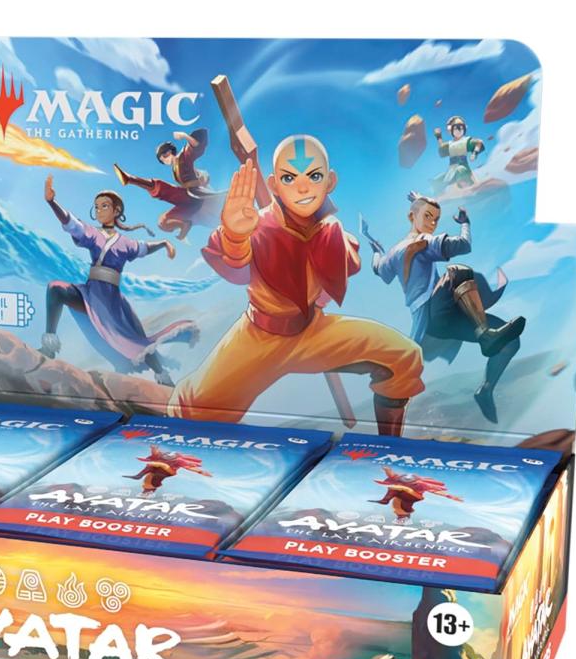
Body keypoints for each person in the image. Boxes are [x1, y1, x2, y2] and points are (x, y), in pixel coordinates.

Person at [167, 136, 425, 435]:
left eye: (313, 176)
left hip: (313, 330)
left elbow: (346, 264)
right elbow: (235, 269)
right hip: (260, 336)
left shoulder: (332, 228)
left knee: (404, 356)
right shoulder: (257, 224)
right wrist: (235, 235)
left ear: (329, 181)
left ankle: (388, 448)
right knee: (193, 408)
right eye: (289, 178)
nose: (302, 188)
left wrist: (322, 285)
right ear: (274, 185)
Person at [370, 192, 525, 423]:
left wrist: (376, 252)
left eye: (436, 219)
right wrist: (465, 223)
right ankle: (485, 335)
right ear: (411, 216)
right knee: (457, 272)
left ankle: (485, 390)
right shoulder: (423, 242)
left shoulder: (392, 254)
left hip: (441, 320)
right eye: (427, 216)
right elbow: (464, 245)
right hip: (434, 313)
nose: (432, 223)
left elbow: (379, 269)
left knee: (511, 340)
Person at [39, 175, 199, 386]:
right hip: (90, 293)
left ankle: (162, 375)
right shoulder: (92, 234)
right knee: (56, 289)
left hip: (112, 301)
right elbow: (72, 224)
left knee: (134, 340)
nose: (99, 211)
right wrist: (52, 202)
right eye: (97, 207)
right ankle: (49, 346)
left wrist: (163, 243)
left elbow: (144, 248)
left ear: (116, 211)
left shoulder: (126, 243)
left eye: (104, 206)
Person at [113, 129, 224, 239]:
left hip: (195, 196)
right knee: (163, 222)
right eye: (162, 161)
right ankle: (184, 225)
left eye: (164, 158)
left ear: (169, 152)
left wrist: (184, 136)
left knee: (162, 188)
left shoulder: (182, 157)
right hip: (189, 201)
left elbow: (195, 147)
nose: (164, 162)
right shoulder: (175, 167)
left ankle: (129, 179)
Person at [370, 466, 463, 524]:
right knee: (397, 503)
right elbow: (392, 475)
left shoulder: (420, 484)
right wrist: (387, 469)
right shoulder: (399, 479)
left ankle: (386, 501)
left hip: (414, 495)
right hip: (403, 495)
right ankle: (400, 516)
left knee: (398, 488)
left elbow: (434, 491)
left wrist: (450, 496)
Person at [124, 444, 211, 497]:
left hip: (169, 471)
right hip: (158, 469)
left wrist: (201, 472)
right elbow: (155, 453)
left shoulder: (178, 460)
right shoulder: (161, 455)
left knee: (159, 466)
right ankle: (142, 481)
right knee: (150, 472)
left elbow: (188, 467)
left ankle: (144, 483)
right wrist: (153, 448)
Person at [432, 116, 485, 191]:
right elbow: (442, 149)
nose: (459, 130)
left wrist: (475, 153)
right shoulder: (450, 144)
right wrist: (439, 137)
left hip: (463, 168)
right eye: (456, 128)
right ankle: (439, 195)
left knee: (460, 171)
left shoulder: (466, 141)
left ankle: (467, 188)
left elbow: (479, 142)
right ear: (450, 130)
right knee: (438, 180)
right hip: (451, 170)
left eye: (461, 127)